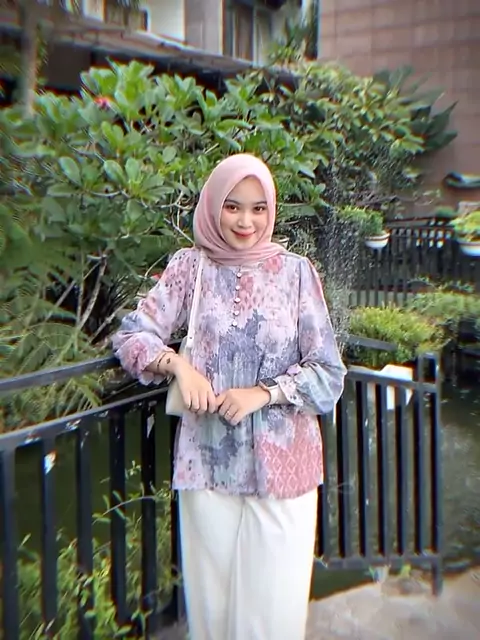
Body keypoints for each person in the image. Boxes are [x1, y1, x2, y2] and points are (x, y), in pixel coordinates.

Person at [112, 153, 346, 640]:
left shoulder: (296, 273)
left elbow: (328, 373)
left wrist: (265, 393)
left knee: (272, 619)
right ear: (213, 205)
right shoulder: (189, 267)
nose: (245, 221)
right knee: (212, 615)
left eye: (259, 208)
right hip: (207, 464)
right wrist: (178, 366)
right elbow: (132, 335)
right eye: (233, 206)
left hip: (284, 469)